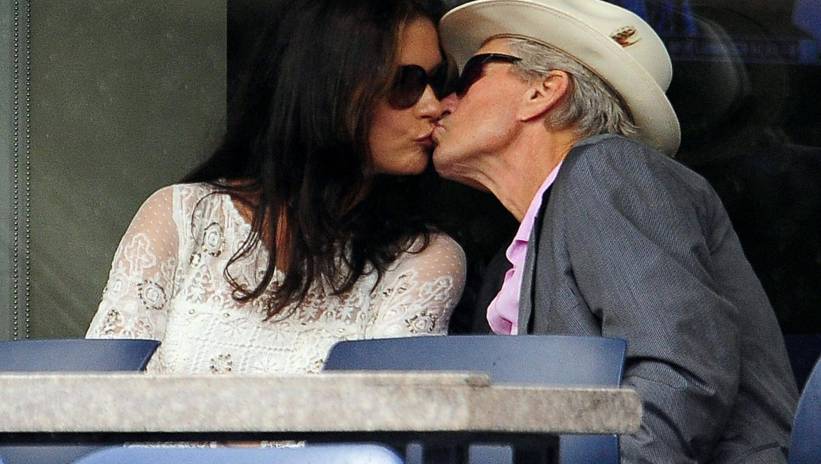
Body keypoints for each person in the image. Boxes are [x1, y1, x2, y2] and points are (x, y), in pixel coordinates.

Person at [432, 0, 798, 462]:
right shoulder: (520, 251)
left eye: (468, 78)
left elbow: (676, 373)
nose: (443, 102)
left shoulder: (606, 168)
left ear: (543, 91)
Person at [86, 0, 466, 375]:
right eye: (407, 83)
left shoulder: (423, 258)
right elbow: (99, 390)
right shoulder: (183, 217)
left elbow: (380, 406)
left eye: (436, 82)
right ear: (329, 86)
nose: (433, 105)